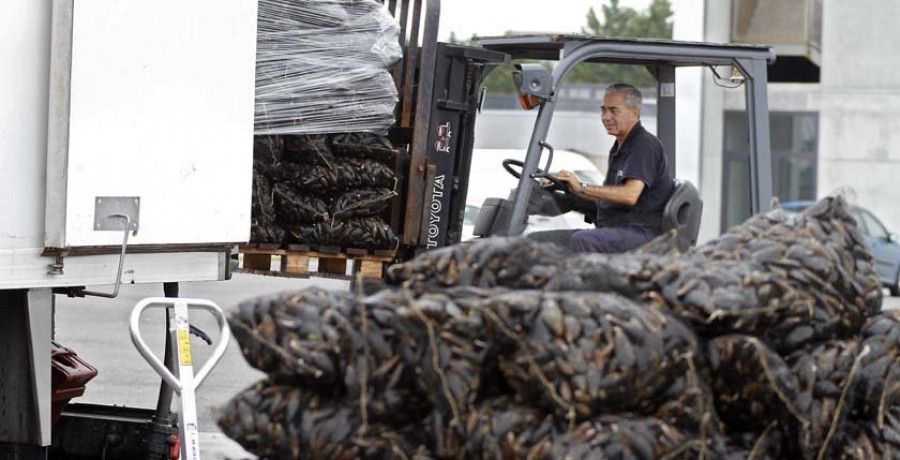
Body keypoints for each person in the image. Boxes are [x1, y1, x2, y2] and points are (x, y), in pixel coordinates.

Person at [550, 83, 674, 253]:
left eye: (613, 111)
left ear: (634, 112)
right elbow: (609, 196)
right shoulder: (620, 147)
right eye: (603, 110)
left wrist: (583, 187)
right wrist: (567, 188)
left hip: (641, 233)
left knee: (583, 241)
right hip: (619, 229)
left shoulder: (644, 146)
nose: (606, 117)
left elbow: (630, 195)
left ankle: (585, 280)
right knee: (540, 241)